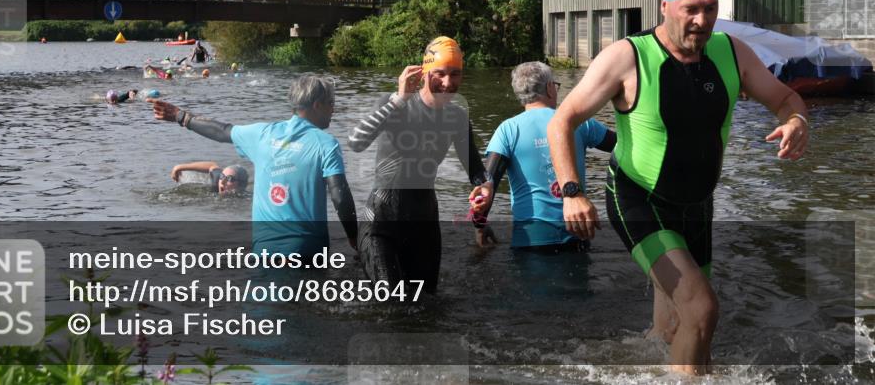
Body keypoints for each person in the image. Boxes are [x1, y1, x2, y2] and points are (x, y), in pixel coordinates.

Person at [546, 0, 810, 375]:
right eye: (691, 8)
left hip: (697, 206)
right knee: (702, 310)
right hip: (640, 199)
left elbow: (785, 99)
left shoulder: (731, 53)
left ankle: (641, 369)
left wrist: (795, 120)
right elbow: (563, 120)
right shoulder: (627, 58)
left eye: (709, 8)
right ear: (665, 6)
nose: (701, 20)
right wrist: (572, 193)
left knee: (675, 326)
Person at [148, 74, 357, 256]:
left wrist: (181, 116)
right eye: (331, 103)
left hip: (264, 250)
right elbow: (339, 195)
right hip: (307, 248)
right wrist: (355, 239)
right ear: (317, 105)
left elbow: (221, 131)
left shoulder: (261, 134)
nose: (333, 109)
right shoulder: (326, 144)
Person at [347, 36, 489, 295]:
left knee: (427, 305)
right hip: (382, 222)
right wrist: (399, 99)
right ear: (424, 72)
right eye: (440, 74)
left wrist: (485, 187)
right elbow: (356, 142)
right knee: (389, 303)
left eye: (455, 74)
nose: (448, 83)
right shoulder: (394, 104)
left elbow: (477, 170)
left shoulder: (457, 117)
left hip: (424, 222)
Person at [470, 61, 616, 251]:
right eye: (555, 85)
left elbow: (488, 184)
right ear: (549, 88)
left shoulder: (507, 130)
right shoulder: (578, 122)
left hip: (530, 239)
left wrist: (479, 226)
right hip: (577, 232)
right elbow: (623, 145)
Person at [169, 161, 249, 196]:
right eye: (222, 176)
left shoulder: (246, 198)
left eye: (229, 179)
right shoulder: (217, 181)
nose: (222, 182)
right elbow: (212, 165)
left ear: (240, 184)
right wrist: (179, 167)